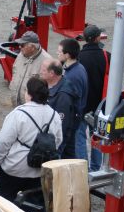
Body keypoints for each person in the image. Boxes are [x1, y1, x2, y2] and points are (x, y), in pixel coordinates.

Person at [0, 77, 63, 203]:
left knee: (5, 204)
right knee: (33, 207)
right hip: (39, 170)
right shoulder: (55, 115)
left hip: (15, 168)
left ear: (29, 94)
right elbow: (57, 141)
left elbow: (3, 142)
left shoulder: (18, 114)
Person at [78, 25, 111, 170]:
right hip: (101, 105)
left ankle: (82, 167)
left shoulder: (79, 57)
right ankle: (96, 167)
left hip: (82, 105)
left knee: (80, 136)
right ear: (98, 38)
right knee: (98, 138)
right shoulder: (107, 56)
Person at [57, 38, 88, 161]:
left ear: (67, 55)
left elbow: (73, 102)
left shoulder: (73, 75)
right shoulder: (78, 68)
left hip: (72, 122)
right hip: (76, 119)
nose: (57, 53)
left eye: (59, 52)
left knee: (71, 153)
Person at [40, 59, 76, 159]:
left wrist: (54, 150)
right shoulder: (50, 85)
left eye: (43, 70)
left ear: (51, 74)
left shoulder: (63, 96)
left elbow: (61, 127)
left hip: (55, 146)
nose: (40, 71)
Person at [9, 31, 52, 107]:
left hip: (33, 108)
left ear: (32, 47)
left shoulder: (46, 61)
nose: (19, 47)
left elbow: (49, 88)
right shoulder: (21, 55)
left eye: (22, 45)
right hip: (17, 106)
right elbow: (15, 72)